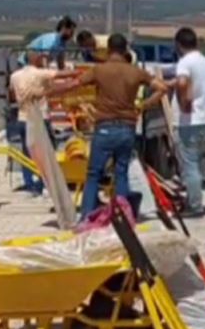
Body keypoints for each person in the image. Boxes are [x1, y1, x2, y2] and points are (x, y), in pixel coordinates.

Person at [70, 33, 168, 219]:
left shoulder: (99, 70)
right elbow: (163, 88)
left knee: (94, 174)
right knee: (121, 172)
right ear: (125, 50)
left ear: (108, 49)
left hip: (104, 127)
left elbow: (76, 84)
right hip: (127, 128)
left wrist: (51, 90)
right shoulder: (136, 71)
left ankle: (87, 216)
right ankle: (123, 216)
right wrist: (143, 105)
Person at [9, 50, 86, 197]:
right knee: (45, 153)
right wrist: (81, 74)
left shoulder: (15, 76)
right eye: (41, 58)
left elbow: (12, 95)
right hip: (39, 118)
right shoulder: (39, 73)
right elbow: (62, 74)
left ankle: (29, 183)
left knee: (27, 152)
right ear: (35, 59)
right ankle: (42, 183)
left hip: (22, 118)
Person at [172, 27, 205, 215]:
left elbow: (183, 83)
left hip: (190, 121)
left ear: (178, 45)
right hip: (204, 118)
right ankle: (193, 200)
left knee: (189, 165)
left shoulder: (185, 62)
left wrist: (184, 103)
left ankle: (195, 205)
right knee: (196, 162)